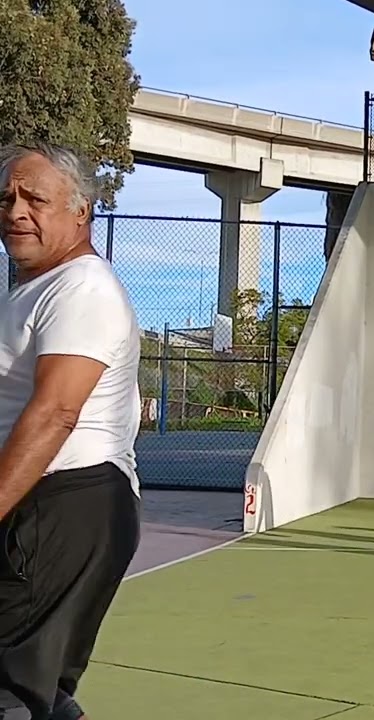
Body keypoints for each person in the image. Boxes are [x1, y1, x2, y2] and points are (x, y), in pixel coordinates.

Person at [0, 143, 143, 720]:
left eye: (35, 198)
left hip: (64, 502)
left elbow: (55, 412)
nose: (14, 210)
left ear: (81, 211)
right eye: (6, 197)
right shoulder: (37, 289)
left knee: (11, 689)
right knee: (34, 686)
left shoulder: (80, 288)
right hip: (46, 508)